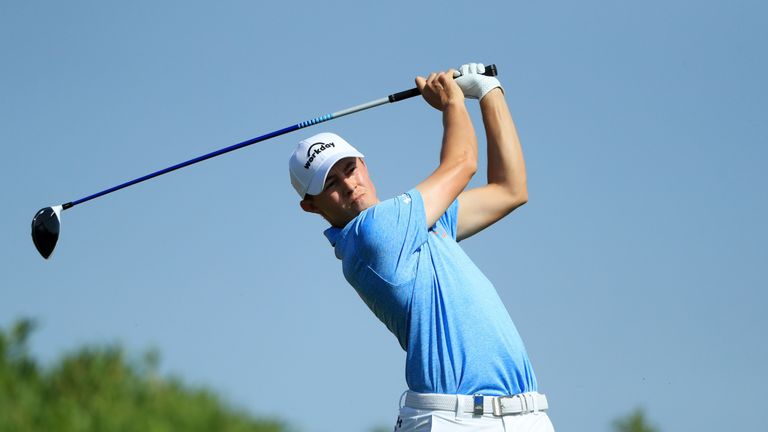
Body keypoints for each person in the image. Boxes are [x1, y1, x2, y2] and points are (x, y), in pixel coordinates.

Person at [288, 63, 554, 431]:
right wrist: (452, 102)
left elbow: (511, 189)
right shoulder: (371, 234)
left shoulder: (420, 223)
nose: (348, 185)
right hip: (451, 419)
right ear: (311, 205)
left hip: (526, 415)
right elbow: (463, 163)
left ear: (364, 164)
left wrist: (490, 92)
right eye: (330, 183)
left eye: (349, 168)